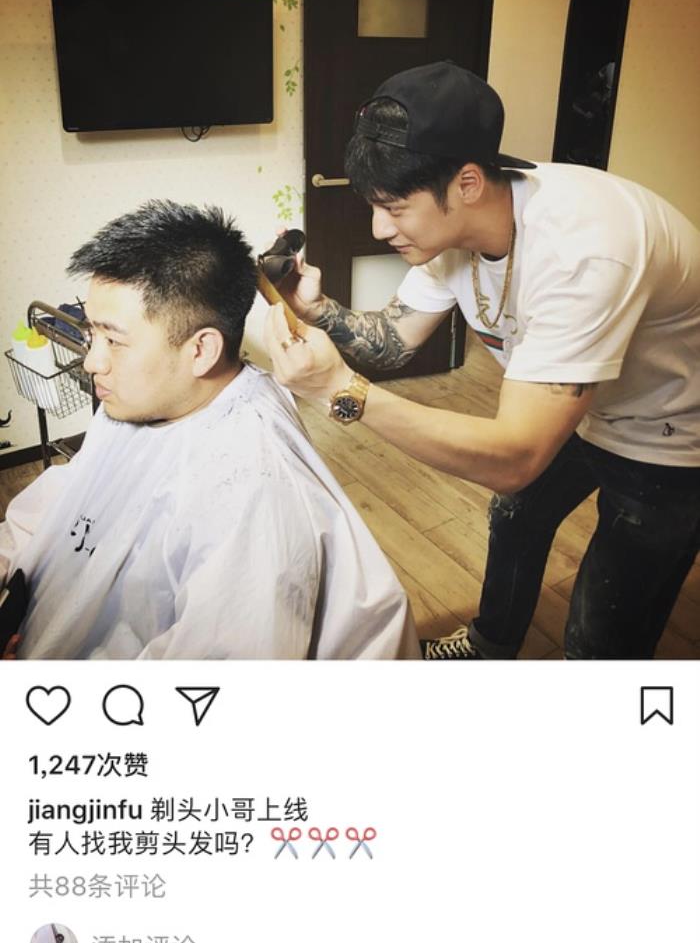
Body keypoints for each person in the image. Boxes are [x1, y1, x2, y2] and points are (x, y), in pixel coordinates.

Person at [265, 61, 700, 660]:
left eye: (394, 207)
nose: (379, 228)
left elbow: (516, 458)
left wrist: (342, 390)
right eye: (373, 206)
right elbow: (393, 339)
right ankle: (490, 647)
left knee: (602, 633)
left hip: (669, 429)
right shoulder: (451, 234)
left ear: (467, 183)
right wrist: (317, 311)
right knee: (516, 516)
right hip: (581, 405)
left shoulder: (583, 250)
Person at [0, 202, 418, 659]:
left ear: (201, 351)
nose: (92, 362)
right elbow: (70, 499)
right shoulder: (137, 400)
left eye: (113, 340)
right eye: (91, 335)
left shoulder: (252, 493)